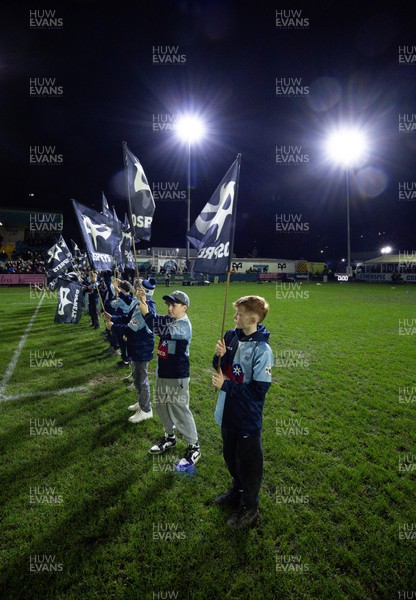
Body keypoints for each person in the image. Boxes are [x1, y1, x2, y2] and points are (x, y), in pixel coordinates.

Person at [212, 295, 274, 529]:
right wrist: (219, 356)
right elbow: (219, 369)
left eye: (239, 314)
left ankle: (250, 506)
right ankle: (237, 490)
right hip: (227, 412)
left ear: (253, 318)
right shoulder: (231, 335)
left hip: (246, 418)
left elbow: (258, 392)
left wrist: (226, 385)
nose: (235, 317)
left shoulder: (263, 349)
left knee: (249, 465)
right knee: (230, 457)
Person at [136, 289, 200, 471]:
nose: (170, 308)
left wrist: (146, 314)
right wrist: (144, 301)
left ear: (185, 308)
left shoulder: (183, 325)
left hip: (177, 375)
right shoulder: (170, 318)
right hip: (163, 372)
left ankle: (194, 446)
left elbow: (161, 330)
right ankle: (169, 437)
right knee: (162, 406)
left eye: (174, 305)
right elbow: (156, 319)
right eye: (168, 304)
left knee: (179, 409)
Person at [105, 278, 157, 423]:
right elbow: (127, 317)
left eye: (139, 288)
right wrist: (113, 318)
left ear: (146, 291)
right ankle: (142, 403)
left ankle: (146, 409)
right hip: (135, 346)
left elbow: (131, 328)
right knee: (136, 376)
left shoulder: (146, 306)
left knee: (141, 379)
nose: (136, 289)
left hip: (142, 347)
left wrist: (112, 327)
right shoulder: (137, 301)